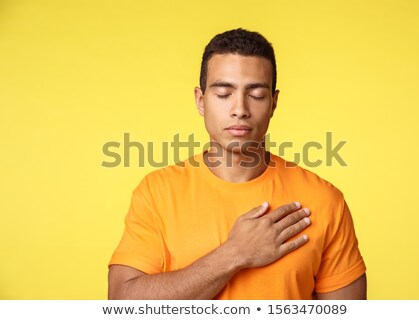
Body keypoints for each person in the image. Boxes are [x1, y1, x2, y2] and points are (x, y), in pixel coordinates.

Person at [108, 28, 366, 299]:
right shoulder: (157, 192)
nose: (240, 109)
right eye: (223, 93)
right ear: (201, 101)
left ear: (274, 103)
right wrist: (235, 254)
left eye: (256, 94)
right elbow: (122, 302)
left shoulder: (324, 200)